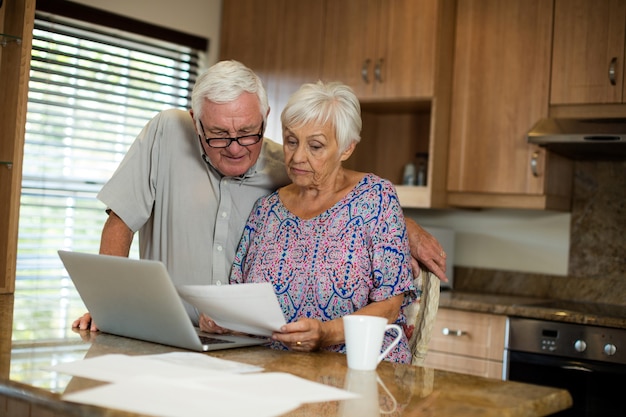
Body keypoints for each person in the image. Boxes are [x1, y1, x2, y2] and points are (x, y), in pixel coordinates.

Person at [72, 60, 448, 331]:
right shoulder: (168, 133)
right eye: (219, 134)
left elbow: (340, 189)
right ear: (195, 120)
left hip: (239, 346)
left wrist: (402, 226)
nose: (236, 148)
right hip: (165, 331)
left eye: (248, 133)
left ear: (265, 118)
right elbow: (120, 220)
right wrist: (110, 309)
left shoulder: (285, 164)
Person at [226, 81, 417, 363]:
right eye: (291, 141)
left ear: (347, 148)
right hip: (275, 368)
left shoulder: (377, 198)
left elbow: (390, 306)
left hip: (359, 365)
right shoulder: (266, 209)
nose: (298, 156)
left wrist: (326, 333)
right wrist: (223, 319)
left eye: (315, 146)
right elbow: (240, 297)